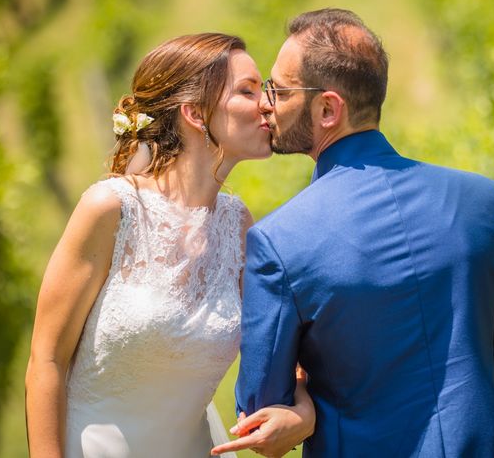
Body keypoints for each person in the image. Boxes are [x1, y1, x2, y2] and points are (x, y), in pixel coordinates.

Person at [219, 9, 494, 457]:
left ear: (328, 108)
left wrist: (308, 397)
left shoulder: (280, 240)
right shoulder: (484, 200)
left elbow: (260, 407)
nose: (267, 102)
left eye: (280, 90)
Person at [24, 33, 315, 458]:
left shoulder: (238, 226)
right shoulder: (111, 210)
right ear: (195, 113)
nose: (267, 105)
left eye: (264, 90)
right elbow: (45, 362)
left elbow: (287, 354)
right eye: (247, 91)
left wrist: (302, 416)